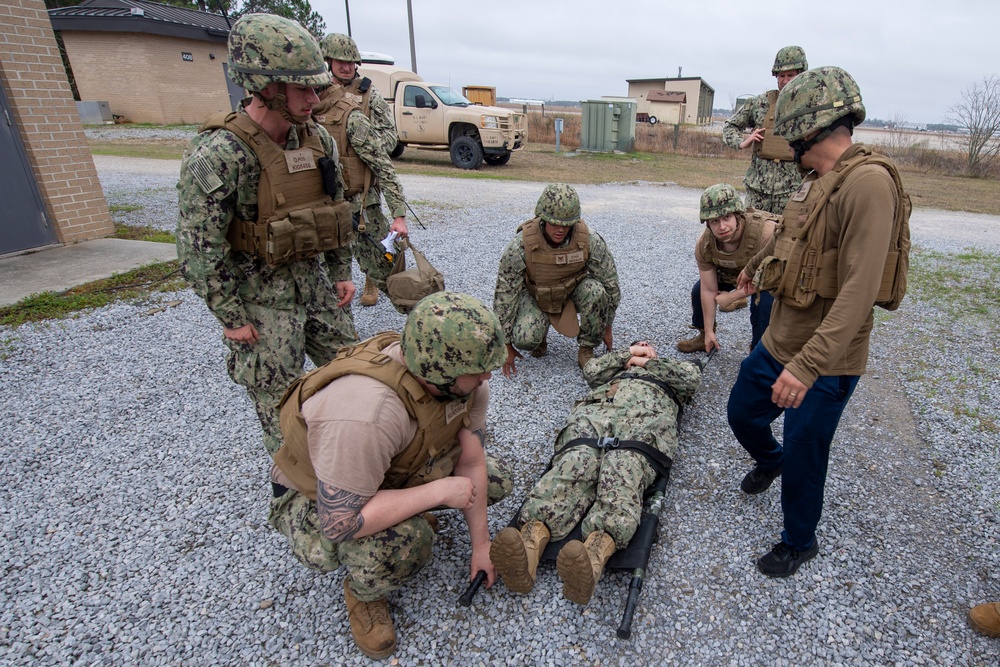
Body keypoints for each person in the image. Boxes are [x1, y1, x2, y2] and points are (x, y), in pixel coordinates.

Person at [727, 66, 910, 577]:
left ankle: (799, 540)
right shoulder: (815, 181)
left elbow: (858, 292)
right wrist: (752, 272)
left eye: (790, 131)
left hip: (825, 361)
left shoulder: (868, 184)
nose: (784, 142)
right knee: (742, 413)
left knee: (807, 451)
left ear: (810, 127)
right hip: (780, 338)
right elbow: (785, 240)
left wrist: (807, 368)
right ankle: (769, 458)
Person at [267, 291, 513, 659]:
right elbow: (338, 522)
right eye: (478, 369)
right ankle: (364, 593)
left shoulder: (466, 383)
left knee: (494, 481)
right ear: (439, 372)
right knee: (405, 543)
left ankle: (402, 506)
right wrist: (437, 493)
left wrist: (481, 545)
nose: (488, 375)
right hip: (316, 499)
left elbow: (472, 461)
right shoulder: (368, 414)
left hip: (384, 468)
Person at [176, 13, 357, 458]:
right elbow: (200, 248)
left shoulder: (317, 142)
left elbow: (336, 212)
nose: (315, 99)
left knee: (357, 375)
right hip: (261, 304)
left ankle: (356, 459)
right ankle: (292, 487)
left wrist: (340, 272)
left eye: (316, 88)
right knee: (279, 406)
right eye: (303, 89)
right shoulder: (220, 153)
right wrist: (231, 316)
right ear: (265, 87)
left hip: (314, 288)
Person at [490, 341, 702, 605]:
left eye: (648, 345)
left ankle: (592, 558)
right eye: (638, 345)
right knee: (573, 467)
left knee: (623, 469)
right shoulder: (614, 370)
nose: (644, 345)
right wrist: (627, 356)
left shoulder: (667, 372)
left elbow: (692, 378)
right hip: (593, 422)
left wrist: (647, 363)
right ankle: (530, 546)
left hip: (642, 425)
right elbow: (590, 371)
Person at [313, 33, 409, 309]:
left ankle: (374, 278)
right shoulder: (313, 94)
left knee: (385, 258)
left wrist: (362, 144)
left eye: (351, 62)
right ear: (328, 61)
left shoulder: (367, 92)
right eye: (340, 62)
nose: (346, 67)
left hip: (363, 191)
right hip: (327, 198)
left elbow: (389, 137)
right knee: (327, 268)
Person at [493, 183, 621, 373]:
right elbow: (505, 294)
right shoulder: (521, 246)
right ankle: (540, 335)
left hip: (571, 291)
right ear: (542, 218)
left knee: (597, 292)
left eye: (567, 224)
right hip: (536, 294)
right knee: (526, 339)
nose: (561, 230)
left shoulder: (589, 240)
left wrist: (606, 325)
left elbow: (611, 286)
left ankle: (586, 349)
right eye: (554, 223)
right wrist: (506, 344)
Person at [676, 184, 778, 354]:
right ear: (707, 223)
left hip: (768, 280)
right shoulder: (705, 244)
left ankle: (759, 351)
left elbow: (772, 279)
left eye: (726, 217)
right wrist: (709, 331)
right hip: (732, 275)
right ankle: (704, 338)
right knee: (697, 291)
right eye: (715, 221)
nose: (722, 227)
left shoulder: (766, 234)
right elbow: (708, 289)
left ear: (738, 215)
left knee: (763, 302)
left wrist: (733, 297)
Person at [723, 46, 808, 215]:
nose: (785, 81)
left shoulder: (810, 106)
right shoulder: (760, 103)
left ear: (801, 75)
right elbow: (729, 127)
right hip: (758, 189)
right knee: (752, 235)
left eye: (790, 75)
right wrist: (742, 142)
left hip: (793, 191)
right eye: (781, 76)